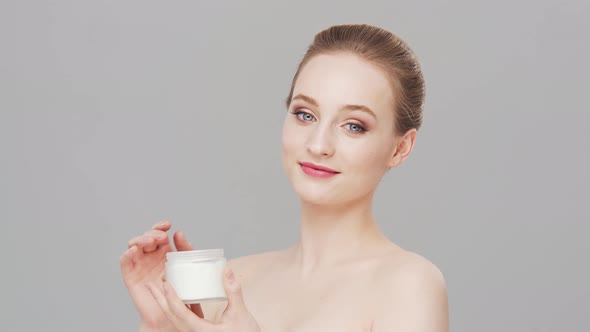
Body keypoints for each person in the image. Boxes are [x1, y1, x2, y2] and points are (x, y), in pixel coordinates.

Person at [120, 23, 449, 332]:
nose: (318, 145)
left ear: (400, 148)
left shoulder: (409, 285)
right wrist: (161, 325)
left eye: (354, 125)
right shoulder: (233, 280)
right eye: (305, 115)